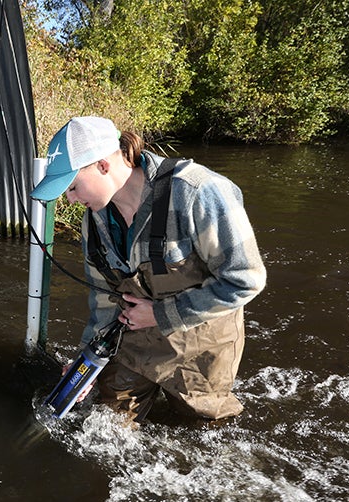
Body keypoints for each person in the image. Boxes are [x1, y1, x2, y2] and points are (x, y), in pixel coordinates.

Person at [31, 116, 266, 423]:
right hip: (134, 342)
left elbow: (245, 280)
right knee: (107, 426)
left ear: (103, 165)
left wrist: (159, 314)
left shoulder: (199, 192)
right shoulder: (94, 220)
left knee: (204, 428)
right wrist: (84, 360)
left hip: (202, 346)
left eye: (73, 187)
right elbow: (103, 301)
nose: (70, 199)